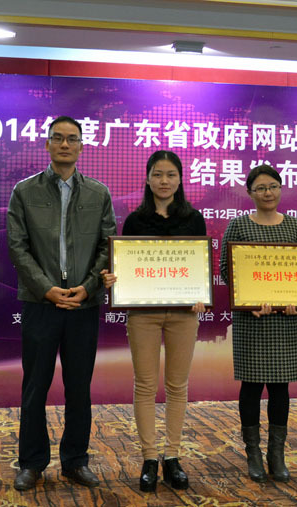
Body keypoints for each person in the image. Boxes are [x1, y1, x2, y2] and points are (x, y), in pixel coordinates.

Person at [7, 115, 116, 490]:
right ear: (48, 144)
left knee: (79, 388)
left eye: (72, 139)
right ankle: (31, 462)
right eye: (58, 138)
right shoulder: (25, 191)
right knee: (35, 386)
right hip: (41, 304)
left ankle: (75, 461)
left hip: (83, 306)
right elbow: (17, 247)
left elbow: (107, 246)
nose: (65, 144)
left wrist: (87, 287)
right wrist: (46, 289)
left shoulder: (98, 193)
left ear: (82, 146)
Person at [101, 150, 207, 491]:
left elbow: (199, 265)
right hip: (143, 314)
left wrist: (200, 292)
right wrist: (114, 279)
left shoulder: (194, 219)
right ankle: (149, 457)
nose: (164, 181)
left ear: (180, 179)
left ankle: (172, 456)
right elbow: (126, 266)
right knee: (145, 385)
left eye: (171, 174)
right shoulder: (135, 221)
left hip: (184, 314)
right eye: (158, 174)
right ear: (147, 179)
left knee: (177, 385)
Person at [219, 165, 297, 483]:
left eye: (273, 186)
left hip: (284, 320)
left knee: (281, 388)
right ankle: (253, 454)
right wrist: (249, 301)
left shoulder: (295, 226)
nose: (267, 193)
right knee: (252, 387)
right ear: (250, 193)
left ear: (281, 189)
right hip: (252, 319)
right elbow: (227, 269)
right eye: (260, 188)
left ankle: (276, 454)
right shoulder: (239, 225)